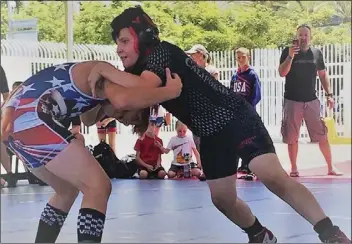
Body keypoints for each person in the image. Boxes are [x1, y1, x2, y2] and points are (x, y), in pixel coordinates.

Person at [88, 7, 350, 243]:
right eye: (117, 43)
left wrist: (103, 72)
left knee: (273, 177)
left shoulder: (161, 53)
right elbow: (116, 105)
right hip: (209, 134)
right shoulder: (139, 73)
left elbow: (131, 94)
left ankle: (330, 233)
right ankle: (259, 235)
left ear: (142, 39)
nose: (119, 49)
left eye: (124, 41)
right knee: (222, 199)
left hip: (235, 118)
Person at [0, 61, 182, 243]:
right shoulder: (107, 75)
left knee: (66, 191)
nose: (122, 120)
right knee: (98, 187)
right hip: (32, 118)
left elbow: (87, 120)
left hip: (14, 125)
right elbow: (127, 95)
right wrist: (170, 93)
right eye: (127, 116)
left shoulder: (97, 91)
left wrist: (105, 108)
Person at [278, 24, 342, 177]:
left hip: (311, 100)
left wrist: (329, 95)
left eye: (306, 35)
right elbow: (282, 73)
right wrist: (290, 56)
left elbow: (323, 75)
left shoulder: (316, 53)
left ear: (310, 37)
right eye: (300, 35)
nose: (303, 38)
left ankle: (330, 167)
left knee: (322, 134)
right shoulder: (288, 52)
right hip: (292, 100)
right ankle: (294, 168)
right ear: (297, 36)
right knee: (292, 136)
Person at [230, 47, 262, 180]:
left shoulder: (252, 75)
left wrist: (248, 108)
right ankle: (242, 165)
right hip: (236, 113)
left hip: (248, 112)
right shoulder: (235, 76)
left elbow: (256, 95)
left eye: (243, 57)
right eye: (238, 57)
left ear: (248, 57)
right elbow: (231, 93)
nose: (240, 60)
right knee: (238, 140)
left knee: (250, 141)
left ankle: (252, 167)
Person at [134, 115, 167, 179]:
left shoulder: (159, 140)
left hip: (155, 166)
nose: (150, 127)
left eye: (152, 125)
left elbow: (159, 156)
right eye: (148, 125)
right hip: (144, 166)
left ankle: (153, 174)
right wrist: (146, 166)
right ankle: (148, 174)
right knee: (143, 174)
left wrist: (158, 165)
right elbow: (137, 158)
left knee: (162, 174)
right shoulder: (140, 140)